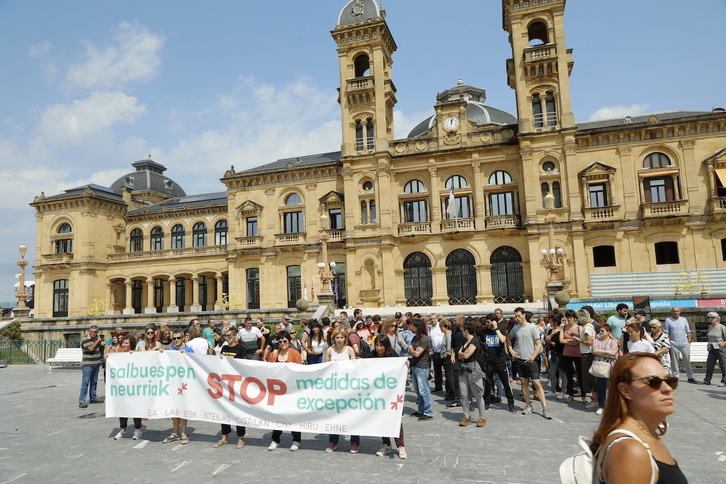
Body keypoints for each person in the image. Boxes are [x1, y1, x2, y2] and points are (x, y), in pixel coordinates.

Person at [590, 353, 687, 483]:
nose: (668, 388)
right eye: (654, 382)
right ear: (626, 391)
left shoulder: (646, 435)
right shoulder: (629, 450)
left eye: (670, 381)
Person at [508, 308, 552, 419]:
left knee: (537, 384)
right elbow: (508, 339)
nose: (517, 318)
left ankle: (545, 408)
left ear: (523, 315)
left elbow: (539, 344)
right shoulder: (515, 328)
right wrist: (511, 350)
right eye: (516, 316)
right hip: (520, 359)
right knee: (523, 382)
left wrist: (533, 357)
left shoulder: (532, 327)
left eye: (519, 316)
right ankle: (528, 405)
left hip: (530, 359)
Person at [370, 335, 407, 459]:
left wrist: (405, 363)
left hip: (391, 394)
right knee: (381, 418)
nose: (379, 348)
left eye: (381, 345)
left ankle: (400, 446)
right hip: (377, 394)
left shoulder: (393, 355)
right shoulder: (371, 356)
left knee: (395, 418)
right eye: (377, 345)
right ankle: (386, 443)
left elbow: (401, 367)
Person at [324, 327, 360, 453]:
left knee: (352, 415)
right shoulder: (330, 350)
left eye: (342, 337)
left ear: (345, 338)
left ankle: (355, 442)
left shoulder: (349, 350)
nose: (339, 340)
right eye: (337, 337)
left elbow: (355, 368)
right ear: (333, 338)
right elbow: (325, 368)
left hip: (348, 387)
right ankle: (333, 441)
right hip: (334, 388)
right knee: (334, 416)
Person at [266, 330, 303, 451]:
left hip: (292, 390)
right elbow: (269, 370)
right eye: (280, 341)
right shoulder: (274, 354)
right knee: (277, 414)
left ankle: (296, 439)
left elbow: (299, 370)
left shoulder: (295, 353)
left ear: (289, 341)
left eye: (285, 341)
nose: (282, 343)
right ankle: (275, 439)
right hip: (277, 391)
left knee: (293, 415)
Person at [213, 327, 247, 449]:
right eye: (226, 336)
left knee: (238, 411)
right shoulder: (224, 348)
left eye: (230, 335)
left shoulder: (241, 348)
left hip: (237, 385)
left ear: (235, 335)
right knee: (224, 410)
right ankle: (224, 437)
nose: (228, 337)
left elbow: (244, 365)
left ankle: (241, 438)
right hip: (225, 384)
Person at [162, 330, 193, 445]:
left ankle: (184, 432)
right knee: (174, 407)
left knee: (183, 407)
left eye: (178, 338)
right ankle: (175, 432)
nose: (176, 340)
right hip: (173, 382)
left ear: (184, 338)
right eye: (174, 338)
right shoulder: (171, 351)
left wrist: (187, 355)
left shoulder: (189, 350)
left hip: (184, 383)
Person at [481, 313, 516, 413]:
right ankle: (486, 403)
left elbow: (503, 340)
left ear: (493, 322)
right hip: (489, 361)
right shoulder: (484, 331)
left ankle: (511, 403)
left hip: (500, 361)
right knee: (488, 383)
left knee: (505, 383)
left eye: (488, 322)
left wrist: (496, 329)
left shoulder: (501, 330)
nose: (486, 324)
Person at [112, 336, 143, 440]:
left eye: (126, 343)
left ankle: (138, 430)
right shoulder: (119, 355)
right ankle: (123, 429)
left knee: (135, 408)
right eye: (123, 343)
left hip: (134, 386)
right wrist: (109, 357)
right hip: (123, 386)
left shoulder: (137, 355)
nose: (123, 345)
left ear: (131, 344)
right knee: (122, 407)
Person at [457, 321, 487, 427]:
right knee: (464, 394)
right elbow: (460, 354)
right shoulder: (465, 342)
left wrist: (461, 354)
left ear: (466, 331)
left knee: (477, 394)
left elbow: (465, 355)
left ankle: (482, 417)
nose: (462, 332)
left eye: (463, 330)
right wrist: (461, 354)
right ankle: (466, 415)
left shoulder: (474, 341)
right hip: (463, 369)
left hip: (473, 370)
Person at [408, 319, 434, 421]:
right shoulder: (415, 338)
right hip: (414, 365)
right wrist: (411, 351)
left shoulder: (424, 339)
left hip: (422, 367)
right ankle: (421, 410)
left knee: (424, 390)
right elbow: (409, 351)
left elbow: (416, 353)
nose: (411, 327)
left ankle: (428, 411)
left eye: (413, 326)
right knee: (418, 390)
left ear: (418, 327)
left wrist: (412, 351)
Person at [591, 323, 619, 415]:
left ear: (608, 332)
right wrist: (607, 352)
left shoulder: (613, 342)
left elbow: (614, 353)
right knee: (601, 386)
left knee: (612, 386)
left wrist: (602, 352)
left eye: (603, 331)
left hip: (611, 365)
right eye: (599, 331)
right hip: (601, 366)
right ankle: (601, 406)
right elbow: (594, 351)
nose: (601, 333)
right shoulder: (596, 340)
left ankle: (613, 405)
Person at [664, 307, 697, 384]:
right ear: (671, 312)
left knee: (687, 361)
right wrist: (669, 342)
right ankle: (675, 377)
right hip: (674, 343)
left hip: (684, 343)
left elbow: (688, 331)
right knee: (675, 362)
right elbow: (667, 332)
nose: (676, 313)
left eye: (677, 311)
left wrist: (689, 341)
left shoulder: (684, 320)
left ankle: (690, 377)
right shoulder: (668, 320)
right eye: (674, 311)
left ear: (680, 312)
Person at [560, 310, 584, 405]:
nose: (569, 319)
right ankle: (570, 395)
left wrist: (568, 341)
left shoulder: (579, 327)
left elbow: (580, 340)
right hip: (567, 353)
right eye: (568, 317)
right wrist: (573, 341)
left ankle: (584, 395)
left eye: (571, 317)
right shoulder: (563, 327)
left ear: (574, 318)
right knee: (569, 375)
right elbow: (561, 340)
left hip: (578, 353)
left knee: (580, 375)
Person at [79, 324, 105, 408]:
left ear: (98, 332)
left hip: (96, 363)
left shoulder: (98, 339)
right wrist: (98, 342)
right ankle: (82, 400)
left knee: (94, 381)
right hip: (87, 364)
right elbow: (90, 349)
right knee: (85, 382)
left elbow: (99, 351)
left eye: (95, 332)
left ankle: (93, 397)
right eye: (92, 332)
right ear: (89, 331)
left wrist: (102, 345)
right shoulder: (85, 340)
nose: (93, 333)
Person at [577, 309, 597, 409]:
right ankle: (594, 398)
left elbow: (589, 342)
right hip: (587, 353)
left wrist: (578, 340)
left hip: (587, 354)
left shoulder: (586, 328)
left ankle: (594, 399)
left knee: (588, 376)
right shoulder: (589, 326)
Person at [703, 312, 726, 386]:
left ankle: (724, 380)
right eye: (708, 317)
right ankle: (707, 379)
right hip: (711, 347)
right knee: (710, 363)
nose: (710, 319)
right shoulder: (710, 327)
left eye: (712, 317)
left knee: (723, 364)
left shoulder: (722, 327)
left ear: (717, 318)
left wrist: (722, 345)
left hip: (720, 347)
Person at [440, 319, 456, 401]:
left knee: (450, 376)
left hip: (448, 357)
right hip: (444, 357)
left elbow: (449, 347)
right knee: (448, 375)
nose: (441, 329)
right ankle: (449, 391)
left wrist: (446, 354)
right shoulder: (445, 334)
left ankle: (452, 392)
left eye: (442, 327)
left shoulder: (448, 335)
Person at [428, 314, 444, 393]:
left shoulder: (440, 327)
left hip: (443, 351)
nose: (432, 320)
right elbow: (430, 340)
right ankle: (438, 387)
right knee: (437, 371)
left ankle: (449, 389)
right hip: (435, 352)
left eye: (433, 318)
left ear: (437, 319)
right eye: (431, 319)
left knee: (447, 372)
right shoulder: (430, 329)